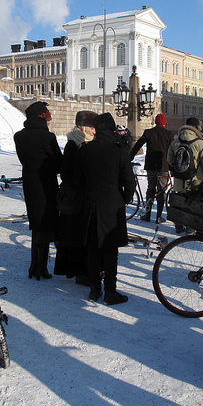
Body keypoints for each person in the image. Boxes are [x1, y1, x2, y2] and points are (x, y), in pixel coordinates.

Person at [77, 112, 135, 305]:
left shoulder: (86, 149)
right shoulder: (118, 150)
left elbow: (79, 179)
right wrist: (124, 199)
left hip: (91, 204)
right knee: (110, 251)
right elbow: (129, 181)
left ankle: (94, 290)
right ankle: (110, 291)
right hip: (112, 205)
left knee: (93, 248)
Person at [14, 101, 62, 280]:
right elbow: (58, 163)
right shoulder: (46, 137)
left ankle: (36, 266)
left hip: (29, 184)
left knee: (36, 224)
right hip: (46, 185)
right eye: (47, 113)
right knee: (47, 224)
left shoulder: (19, 136)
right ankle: (41, 267)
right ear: (41, 116)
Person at [56, 110, 97, 284]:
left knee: (79, 236)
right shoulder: (74, 144)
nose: (95, 132)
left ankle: (80, 271)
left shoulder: (84, 143)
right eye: (93, 128)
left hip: (80, 197)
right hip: (74, 198)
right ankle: (79, 272)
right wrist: (80, 180)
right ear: (85, 128)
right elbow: (65, 172)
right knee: (76, 236)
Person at [167, 117, 203, 233]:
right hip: (195, 179)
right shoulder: (200, 143)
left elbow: (169, 159)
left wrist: (177, 169)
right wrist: (202, 173)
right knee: (193, 202)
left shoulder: (176, 141)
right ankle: (190, 228)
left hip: (179, 178)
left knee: (179, 201)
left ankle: (178, 225)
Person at [129, 113, 173, 223]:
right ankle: (158, 217)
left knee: (151, 189)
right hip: (163, 166)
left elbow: (138, 145)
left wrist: (130, 157)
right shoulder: (169, 134)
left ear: (156, 122)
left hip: (151, 166)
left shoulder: (149, 133)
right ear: (165, 123)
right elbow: (173, 151)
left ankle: (147, 215)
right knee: (162, 190)